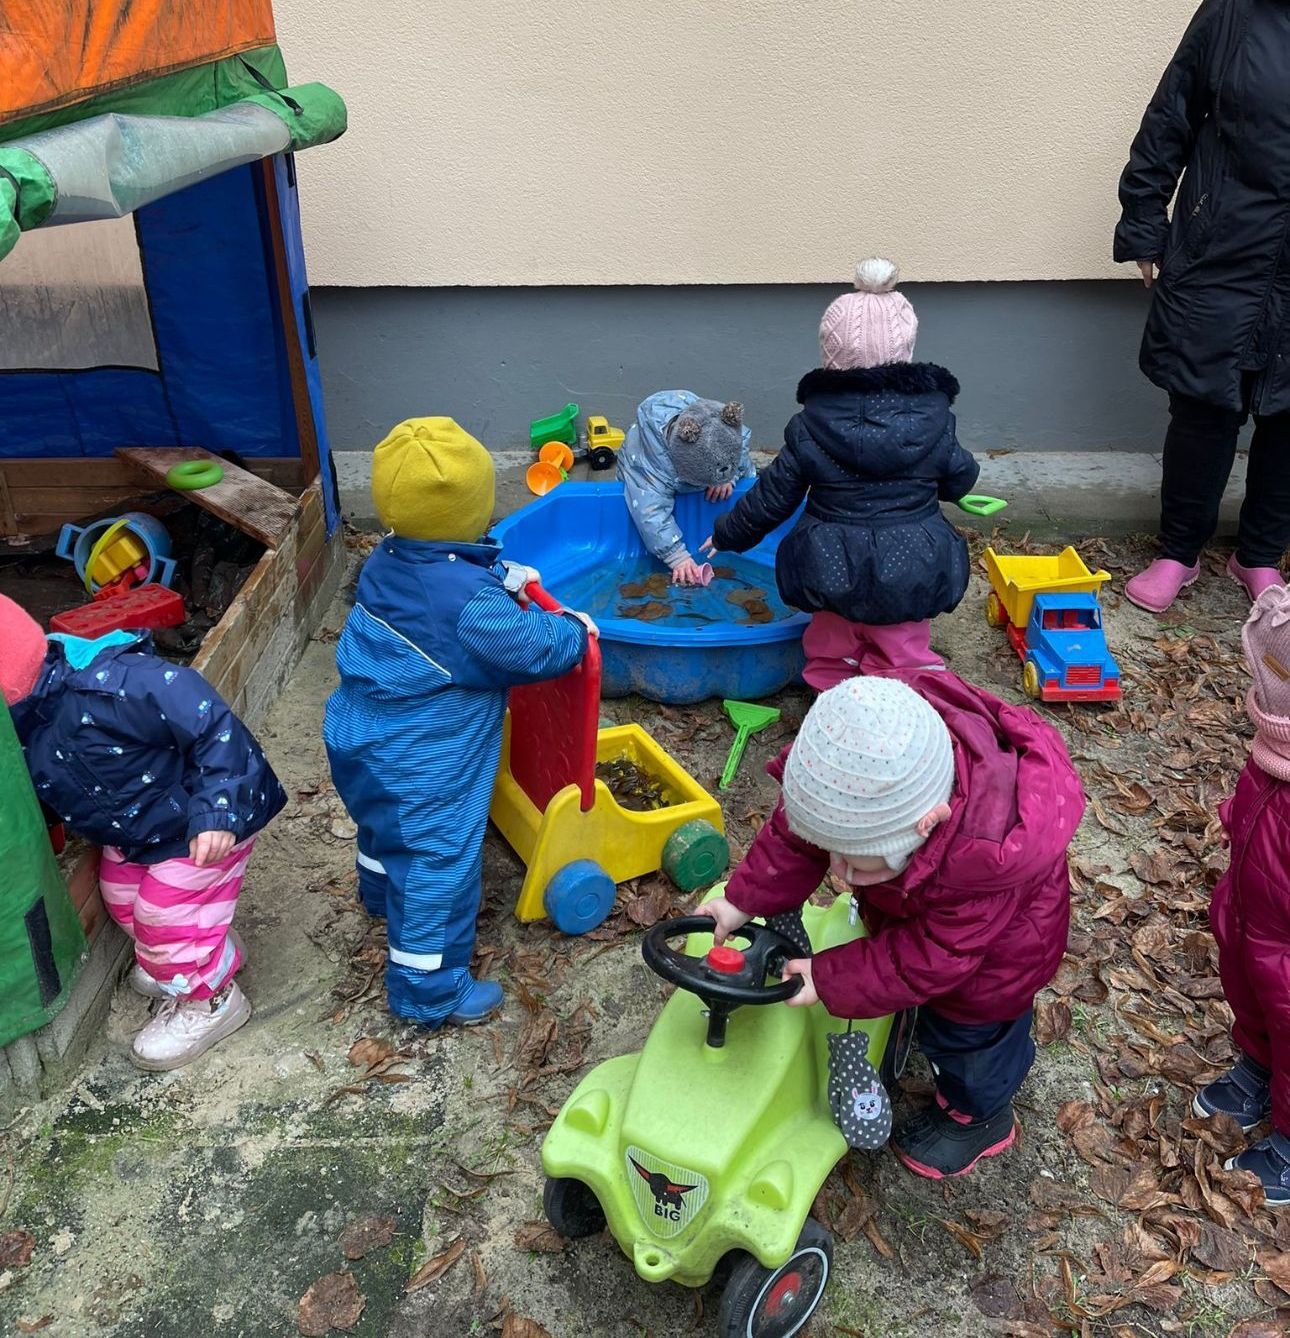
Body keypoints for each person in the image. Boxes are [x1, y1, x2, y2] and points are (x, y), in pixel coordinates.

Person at [696, 673, 1085, 1178]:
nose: (838, 871)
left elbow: (930, 957)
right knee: (894, 951)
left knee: (967, 1035)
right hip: (925, 910)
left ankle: (979, 1116)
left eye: (857, 863)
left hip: (996, 957)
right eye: (833, 851)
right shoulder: (857, 775)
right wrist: (740, 901)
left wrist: (829, 977)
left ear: (928, 824)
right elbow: (798, 838)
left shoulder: (983, 859)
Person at [323, 418, 593, 1029]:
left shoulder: (387, 559)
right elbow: (529, 649)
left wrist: (502, 575)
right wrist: (574, 630)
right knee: (437, 866)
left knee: (381, 828)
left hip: (360, 736)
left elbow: (444, 580)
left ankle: (376, 896)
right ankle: (427, 988)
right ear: (473, 507)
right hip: (422, 762)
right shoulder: (470, 610)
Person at [0, 593, 284, 1071]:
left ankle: (211, 1001)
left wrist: (217, 809)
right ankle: (198, 953)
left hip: (200, 824)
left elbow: (212, 723)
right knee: (119, 897)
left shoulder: (110, 686)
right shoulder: (24, 724)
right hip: (138, 833)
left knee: (161, 915)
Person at [702, 259, 979, 686]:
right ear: (905, 350)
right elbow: (960, 477)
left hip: (830, 565)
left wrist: (727, 534)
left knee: (830, 646)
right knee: (902, 646)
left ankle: (833, 703)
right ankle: (900, 700)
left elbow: (774, 496)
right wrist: (950, 483)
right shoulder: (934, 418)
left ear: (831, 352)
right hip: (912, 562)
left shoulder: (812, 423)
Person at [1114, 0, 1290, 613]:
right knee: (1203, 402)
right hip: (1223, 247)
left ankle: (1261, 554)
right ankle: (1178, 552)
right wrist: (1144, 221)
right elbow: (1171, 115)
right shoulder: (1235, 12)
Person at [1193, 583, 1290, 1205]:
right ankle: (1258, 1069)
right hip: (1258, 914)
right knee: (1254, 998)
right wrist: (1237, 816)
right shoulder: (1273, 753)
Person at [617, 390, 755, 586]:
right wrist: (677, 556)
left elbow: (739, 456)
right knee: (637, 500)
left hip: (698, 456)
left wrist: (728, 478)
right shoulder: (649, 468)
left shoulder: (720, 428)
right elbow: (649, 512)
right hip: (642, 469)